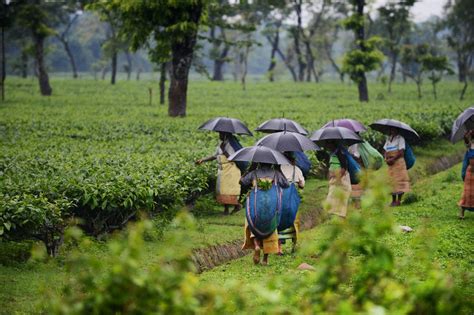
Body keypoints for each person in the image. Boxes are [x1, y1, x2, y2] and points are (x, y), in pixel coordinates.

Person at [241, 163, 289, 265]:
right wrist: (279, 171)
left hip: (257, 203)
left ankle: (257, 245)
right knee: (271, 226)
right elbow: (286, 184)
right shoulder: (276, 173)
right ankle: (265, 259)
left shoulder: (254, 173)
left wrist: (249, 170)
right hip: (272, 204)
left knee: (252, 222)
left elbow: (242, 182)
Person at [196, 132, 242, 215]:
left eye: (221, 134)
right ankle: (230, 208)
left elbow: (236, 156)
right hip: (223, 169)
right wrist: (203, 160)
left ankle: (234, 206)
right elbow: (214, 156)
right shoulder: (221, 144)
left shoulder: (231, 144)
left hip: (231, 169)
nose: (219, 135)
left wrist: (225, 152)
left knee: (228, 190)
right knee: (222, 190)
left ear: (225, 135)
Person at [278, 152, 305, 254]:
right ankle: (294, 244)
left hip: (281, 197)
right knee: (294, 220)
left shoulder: (279, 168)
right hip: (292, 198)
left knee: (279, 219)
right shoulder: (296, 169)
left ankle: (279, 247)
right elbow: (302, 185)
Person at [383, 128, 410, 206]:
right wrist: (386, 159)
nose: (392, 131)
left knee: (400, 180)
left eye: (394, 130)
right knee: (392, 181)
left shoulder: (400, 138)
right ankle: (393, 201)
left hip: (398, 162)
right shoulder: (388, 138)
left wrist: (393, 159)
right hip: (390, 163)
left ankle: (399, 201)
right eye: (391, 130)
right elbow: (385, 150)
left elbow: (401, 152)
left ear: (397, 130)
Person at [325, 141, 351, 218]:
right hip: (334, 179)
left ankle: (342, 216)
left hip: (341, 179)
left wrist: (337, 177)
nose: (327, 146)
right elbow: (331, 166)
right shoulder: (332, 154)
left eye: (328, 144)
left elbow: (344, 168)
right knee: (332, 197)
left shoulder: (340, 154)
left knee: (341, 197)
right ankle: (335, 215)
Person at [458, 130, 474, 219]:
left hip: (470, 173)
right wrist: (463, 175)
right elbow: (465, 163)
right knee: (467, 193)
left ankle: (462, 213)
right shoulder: (469, 148)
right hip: (470, 173)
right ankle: (462, 213)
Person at [348, 140, 364, 208]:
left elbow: (359, 157)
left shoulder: (360, 144)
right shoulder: (351, 145)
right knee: (353, 186)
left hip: (357, 166)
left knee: (358, 185)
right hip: (353, 167)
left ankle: (358, 204)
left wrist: (352, 156)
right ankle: (355, 203)